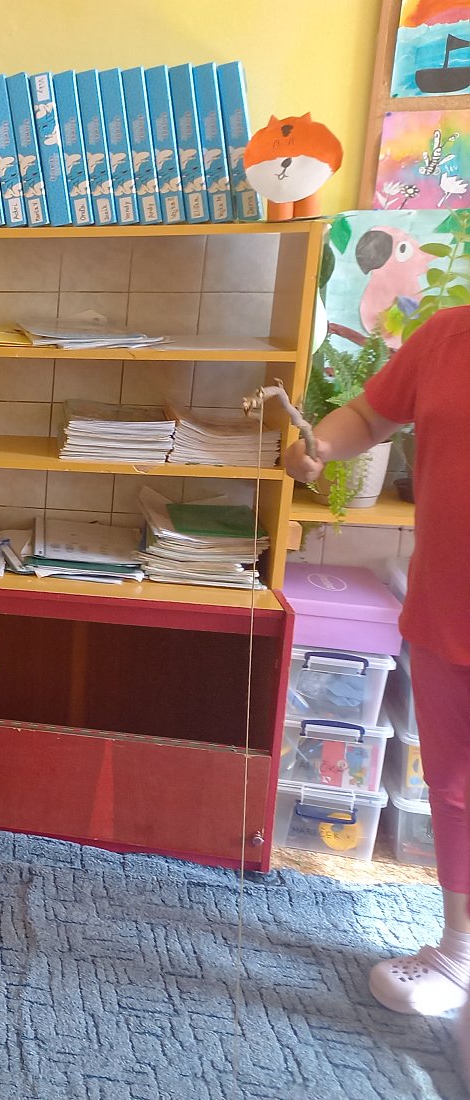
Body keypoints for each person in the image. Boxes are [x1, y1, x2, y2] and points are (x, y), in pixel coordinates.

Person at [285, 305, 470, 1025]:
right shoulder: (446, 336)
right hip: (447, 610)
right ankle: (458, 950)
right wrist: (319, 446)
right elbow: (370, 414)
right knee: (453, 788)